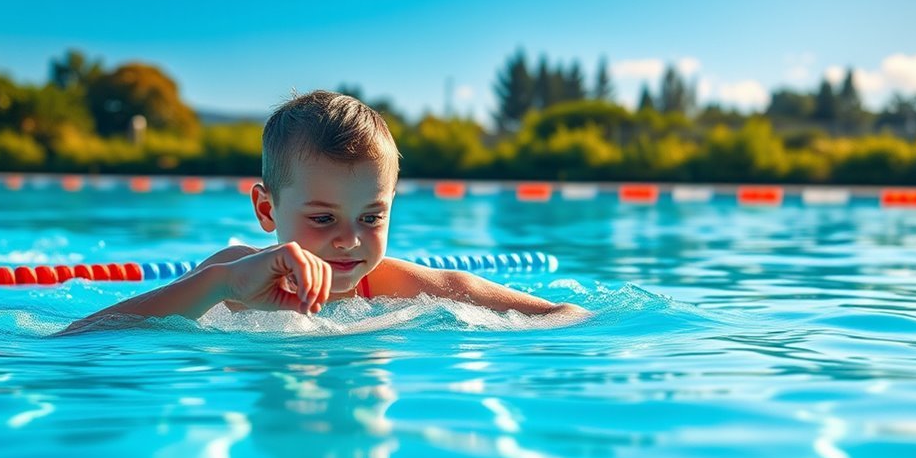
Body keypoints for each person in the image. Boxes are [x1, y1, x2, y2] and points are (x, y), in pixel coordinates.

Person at [60, 90, 587, 334]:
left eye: (371, 217)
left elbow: (561, 314)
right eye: (322, 218)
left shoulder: (389, 284)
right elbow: (89, 335)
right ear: (267, 210)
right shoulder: (232, 275)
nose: (351, 240)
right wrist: (218, 287)